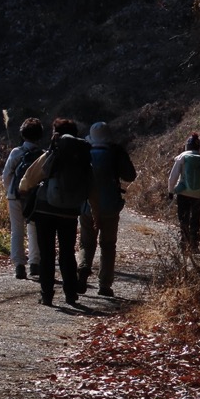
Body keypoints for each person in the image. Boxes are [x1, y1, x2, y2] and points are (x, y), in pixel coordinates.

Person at [19, 118, 92, 306]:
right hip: (70, 211)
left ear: (56, 134)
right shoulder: (82, 156)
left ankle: (47, 295)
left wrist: (25, 192)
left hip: (46, 209)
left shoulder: (55, 152)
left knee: (47, 253)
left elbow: (29, 178)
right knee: (67, 252)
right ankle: (70, 294)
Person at [76, 122, 137, 297]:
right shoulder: (115, 152)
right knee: (108, 245)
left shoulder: (85, 151)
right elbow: (130, 175)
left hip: (87, 205)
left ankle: (84, 267)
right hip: (110, 205)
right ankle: (104, 285)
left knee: (86, 243)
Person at [2, 117, 43, 279]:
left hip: (15, 196)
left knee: (17, 231)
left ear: (22, 134)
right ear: (39, 135)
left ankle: (19, 265)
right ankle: (35, 264)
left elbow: (6, 175)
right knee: (34, 230)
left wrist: (11, 191)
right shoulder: (42, 155)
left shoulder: (16, 152)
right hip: (35, 198)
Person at [168, 132, 200, 254]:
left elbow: (173, 177)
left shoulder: (182, 157)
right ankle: (194, 245)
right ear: (198, 147)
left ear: (187, 146)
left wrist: (171, 191)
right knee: (195, 219)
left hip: (183, 192)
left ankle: (184, 245)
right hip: (198, 194)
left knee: (183, 218)